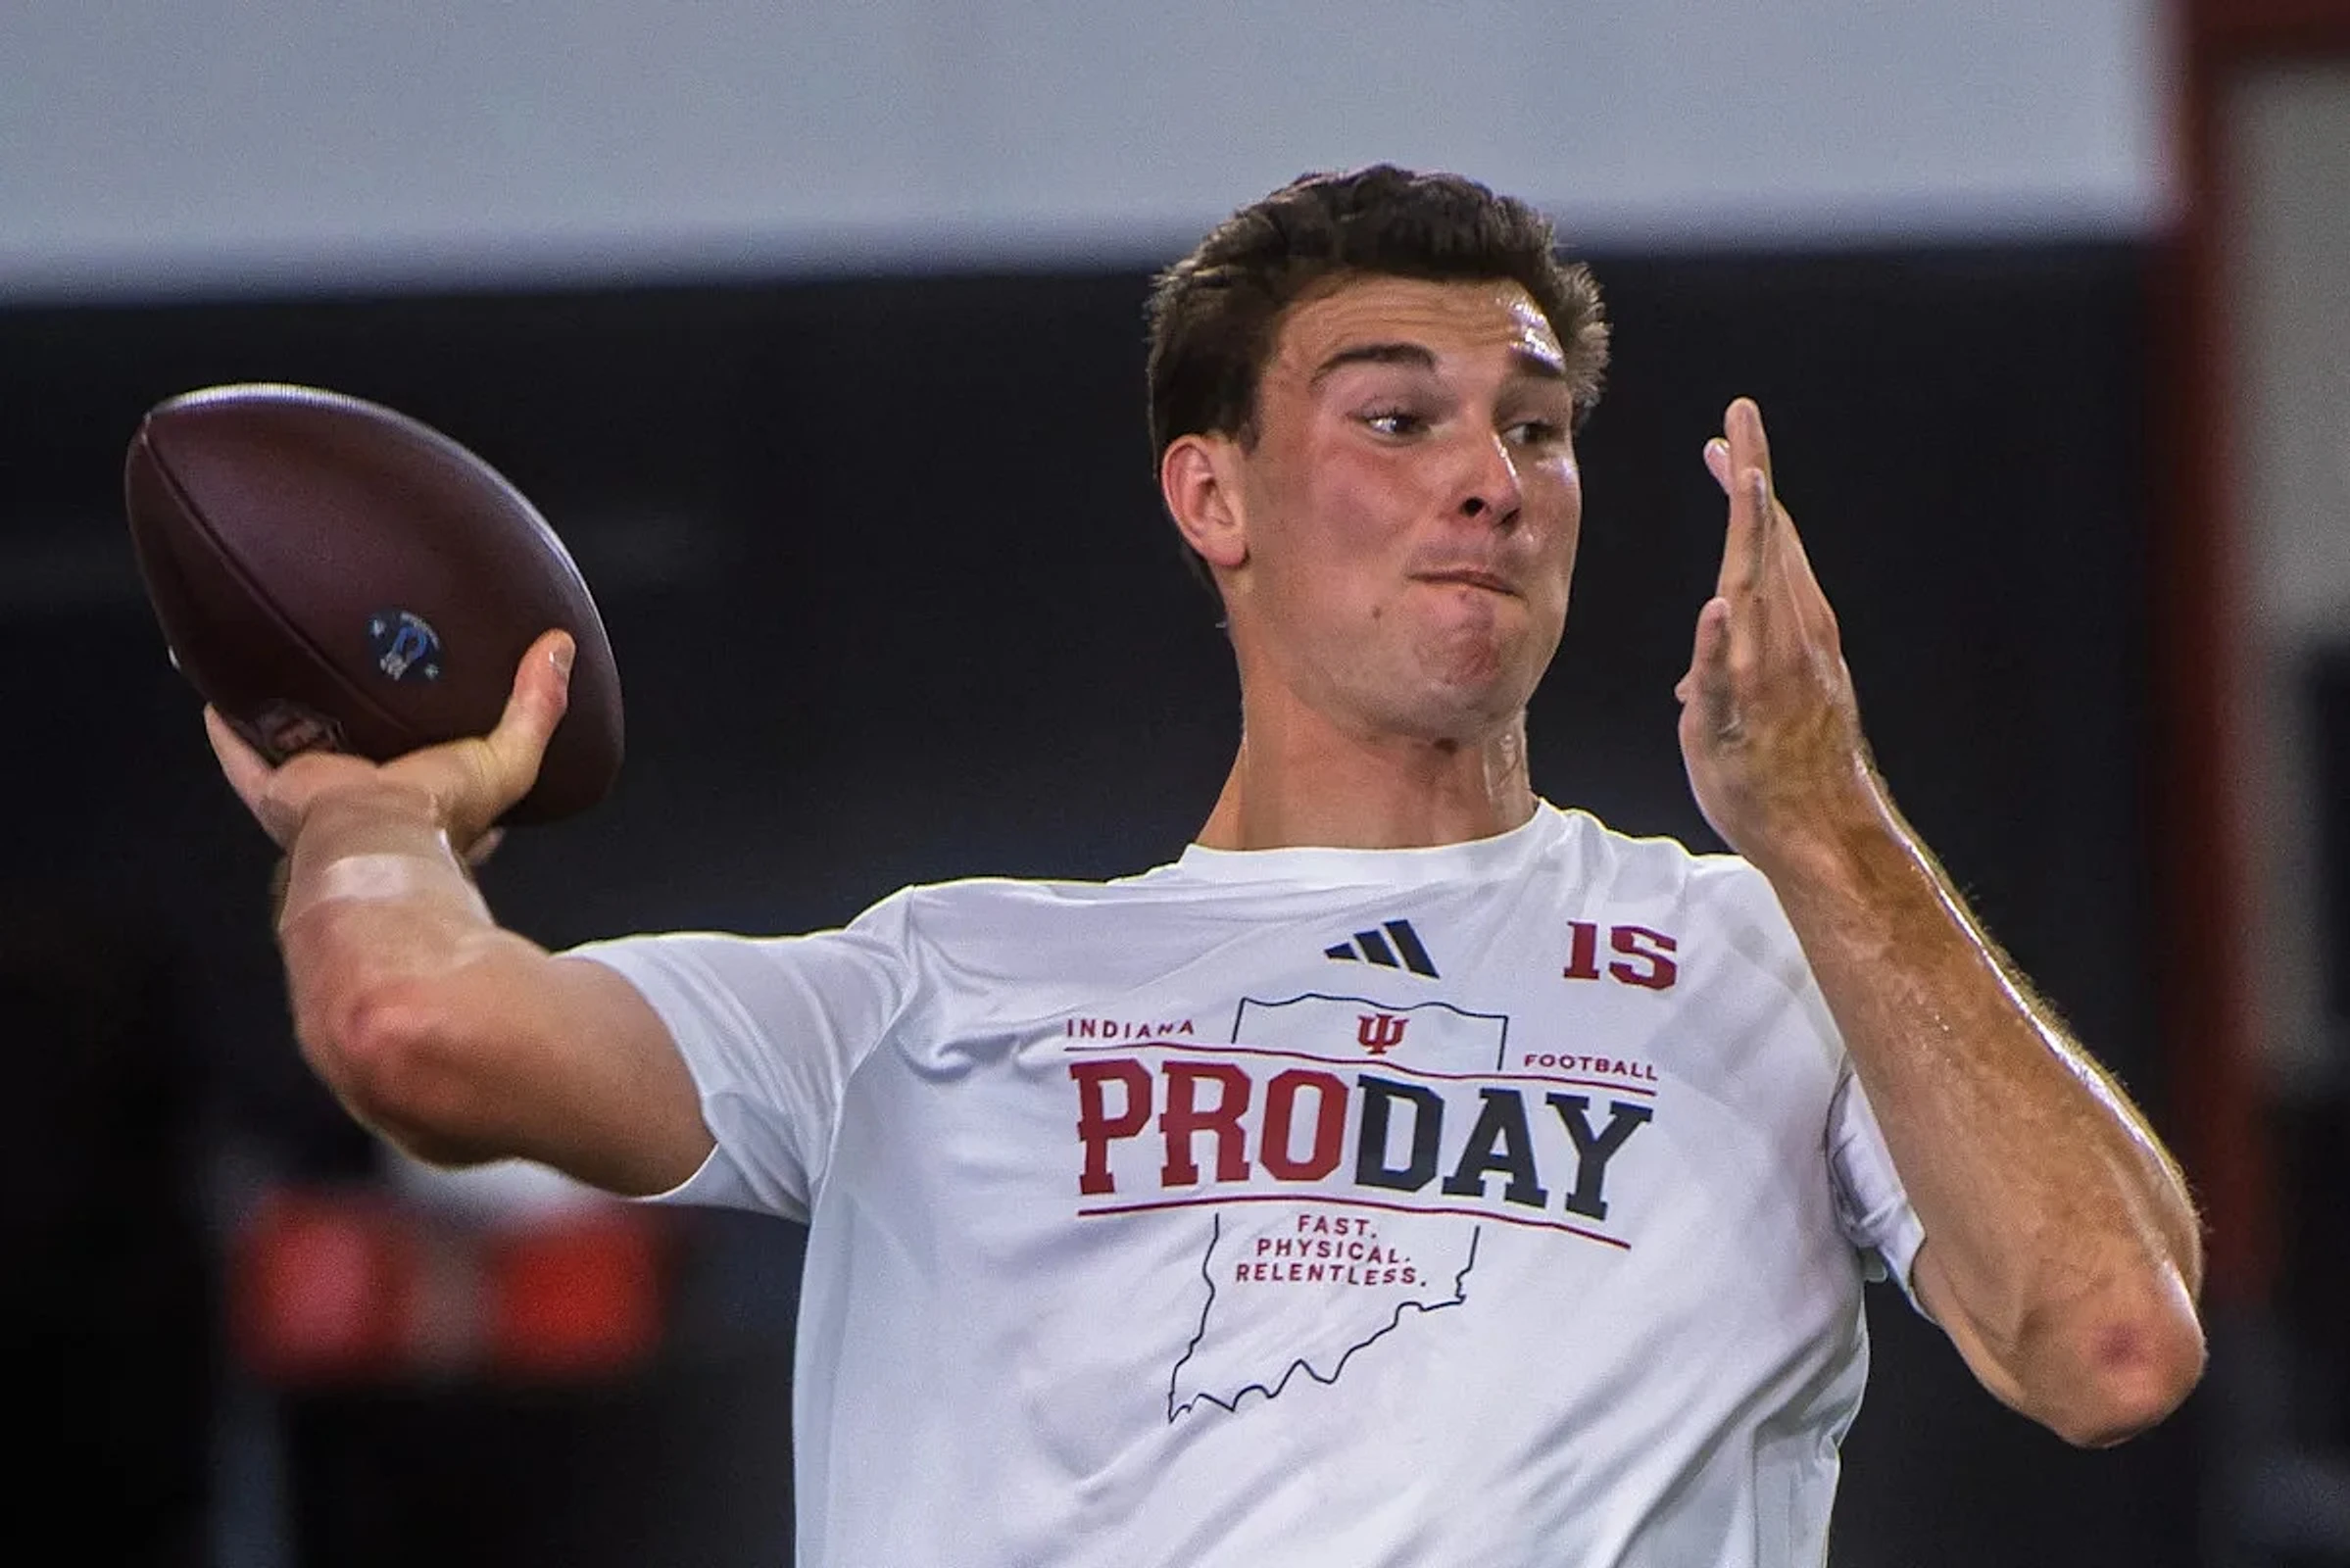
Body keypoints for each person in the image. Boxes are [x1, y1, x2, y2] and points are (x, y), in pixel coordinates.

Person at [208, 166, 2205, 1566]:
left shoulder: (1757, 954)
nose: (1487, 477)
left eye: (1533, 428)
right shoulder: (934, 990)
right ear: (1211, 496)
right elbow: (413, 1030)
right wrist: (365, 813)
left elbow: (2111, 1341)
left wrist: (1827, 824)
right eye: (1396, 418)